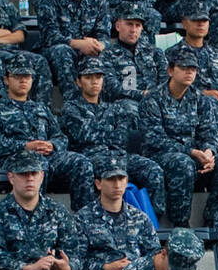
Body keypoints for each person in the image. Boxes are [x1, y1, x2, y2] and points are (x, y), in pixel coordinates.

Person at [138, 46, 218, 228]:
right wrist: (191, 151)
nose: (189, 72)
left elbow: (210, 131)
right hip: (161, 155)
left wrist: (208, 152)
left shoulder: (201, 99)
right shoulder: (152, 99)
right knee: (182, 163)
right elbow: (154, 138)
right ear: (171, 70)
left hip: (197, 155)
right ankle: (180, 223)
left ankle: (212, 218)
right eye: (184, 68)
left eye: (193, 69)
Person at [60, 56, 167, 212]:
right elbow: (85, 136)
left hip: (119, 156)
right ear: (79, 81)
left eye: (98, 77)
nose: (94, 81)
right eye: (88, 77)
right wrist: (108, 132)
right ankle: (86, 218)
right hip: (91, 157)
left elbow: (121, 138)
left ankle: (151, 220)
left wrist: (99, 131)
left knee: (153, 170)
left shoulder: (115, 108)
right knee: (89, 168)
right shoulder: (71, 108)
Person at [0, 55, 92, 203]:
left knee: (81, 162)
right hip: (14, 160)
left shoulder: (41, 108)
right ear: (6, 80)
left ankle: (83, 216)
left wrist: (52, 145)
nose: (23, 80)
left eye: (27, 76)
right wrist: (26, 146)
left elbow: (60, 137)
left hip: (47, 158)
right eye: (17, 76)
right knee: (35, 162)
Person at [75, 155, 161, 270]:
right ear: (98, 183)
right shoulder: (82, 218)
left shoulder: (140, 218)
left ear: (127, 182)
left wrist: (135, 268)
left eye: (121, 179)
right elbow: (76, 262)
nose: (117, 184)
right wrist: (104, 268)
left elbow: (154, 255)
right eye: (110, 179)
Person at [37, 0, 110, 89]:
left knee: (109, 55)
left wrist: (99, 45)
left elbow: (103, 34)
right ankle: (72, 101)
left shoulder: (98, 0)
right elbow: (49, 35)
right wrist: (78, 44)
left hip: (88, 49)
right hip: (56, 51)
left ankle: (103, 104)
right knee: (62, 51)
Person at [99, 2, 165, 120]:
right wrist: (142, 94)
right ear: (118, 26)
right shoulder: (107, 55)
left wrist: (156, 96)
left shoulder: (155, 53)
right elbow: (112, 88)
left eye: (137, 25)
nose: (133, 30)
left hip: (157, 104)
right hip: (126, 106)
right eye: (129, 24)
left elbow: (166, 81)